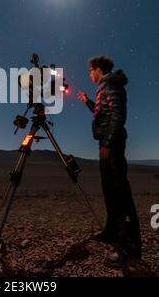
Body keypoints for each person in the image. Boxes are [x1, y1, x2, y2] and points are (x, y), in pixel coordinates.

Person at [77, 56, 142, 268]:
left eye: (89, 71)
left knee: (119, 192)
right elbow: (103, 112)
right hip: (107, 143)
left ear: (97, 69)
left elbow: (118, 115)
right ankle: (112, 230)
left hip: (111, 144)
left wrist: (108, 141)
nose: (89, 75)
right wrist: (87, 100)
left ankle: (129, 246)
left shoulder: (111, 83)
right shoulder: (105, 86)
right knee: (109, 190)